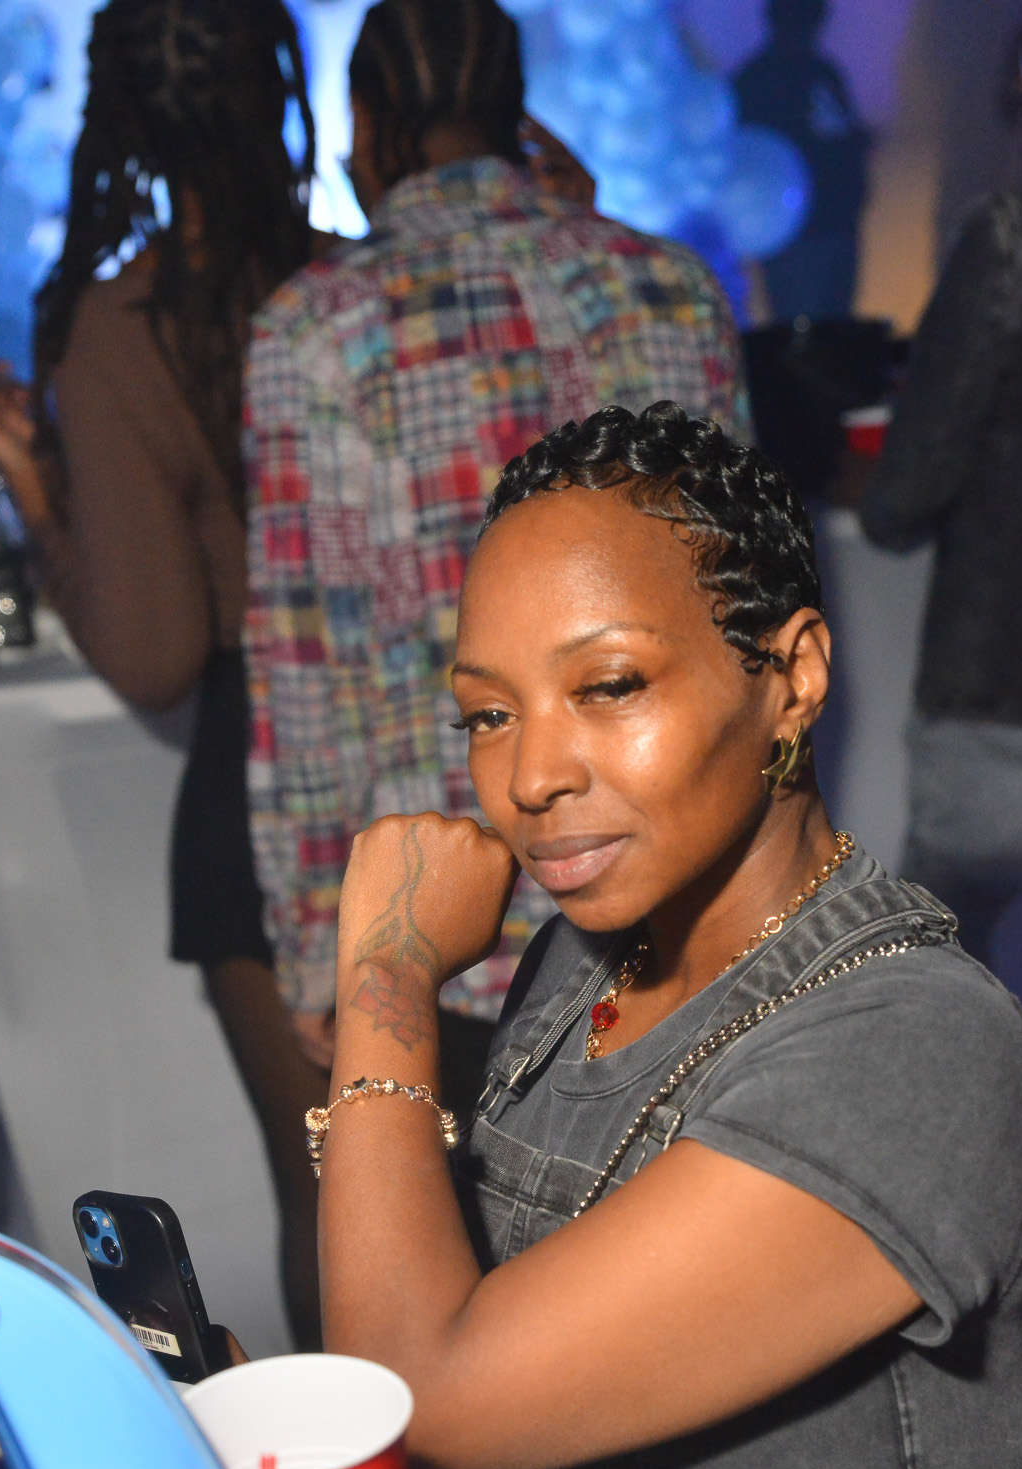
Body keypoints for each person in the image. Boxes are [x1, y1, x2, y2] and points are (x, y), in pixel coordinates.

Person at [310, 401, 1022, 1469]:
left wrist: (385, 984)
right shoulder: (595, 946)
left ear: (788, 676)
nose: (527, 777)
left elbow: (426, 1388)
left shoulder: (917, 1051)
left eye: (608, 687)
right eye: (486, 712)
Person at [243, 0, 749, 1119]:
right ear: (517, 107)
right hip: (695, 874)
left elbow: (307, 661)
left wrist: (320, 946)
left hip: (473, 916)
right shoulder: (670, 284)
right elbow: (744, 597)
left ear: (363, 117)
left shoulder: (318, 328)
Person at [0, 0, 329, 1346]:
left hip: (262, 779)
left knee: (331, 1191)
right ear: (280, 92)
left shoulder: (122, 329)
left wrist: (35, 493)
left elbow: (154, 651)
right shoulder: (355, 279)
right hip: (444, 741)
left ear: (113, 121)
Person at [860, 0, 1022, 965]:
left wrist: (869, 486)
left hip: (1005, 688)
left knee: (938, 984)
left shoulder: (1017, 240)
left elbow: (906, 493)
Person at [733, 0, 871, 321]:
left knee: (829, 328)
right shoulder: (760, 79)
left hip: (833, 227)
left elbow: (839, 136)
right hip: (801, 236)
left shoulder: (820, 73)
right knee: (804, 330)